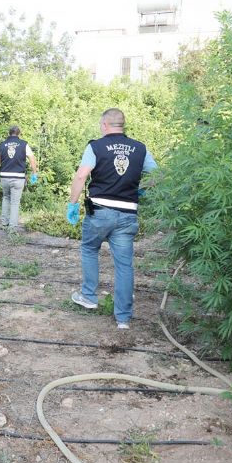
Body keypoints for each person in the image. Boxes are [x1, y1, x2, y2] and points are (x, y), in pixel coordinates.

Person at [65, 108, 157, 330]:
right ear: (122, 125)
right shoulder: (140, 148)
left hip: (100, 211)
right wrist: (142, 190)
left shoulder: (95, 146)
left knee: (89, 249)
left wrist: (73, 202)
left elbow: (81, 175)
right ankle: (123, 319)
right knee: (124, 265)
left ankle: (88, 295)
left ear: (105, 124)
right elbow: (159, 177)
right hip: (127, 213)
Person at [0, 126, 39, 230]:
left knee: (6, 198)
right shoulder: (24, 144)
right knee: (15, 202)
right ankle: (12, 227)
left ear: (9, 134)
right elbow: (32, 159)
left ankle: (4, 223)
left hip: (4, 177)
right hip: (18, 178)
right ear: (19, 134)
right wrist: (35, 173)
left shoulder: (2, 145)